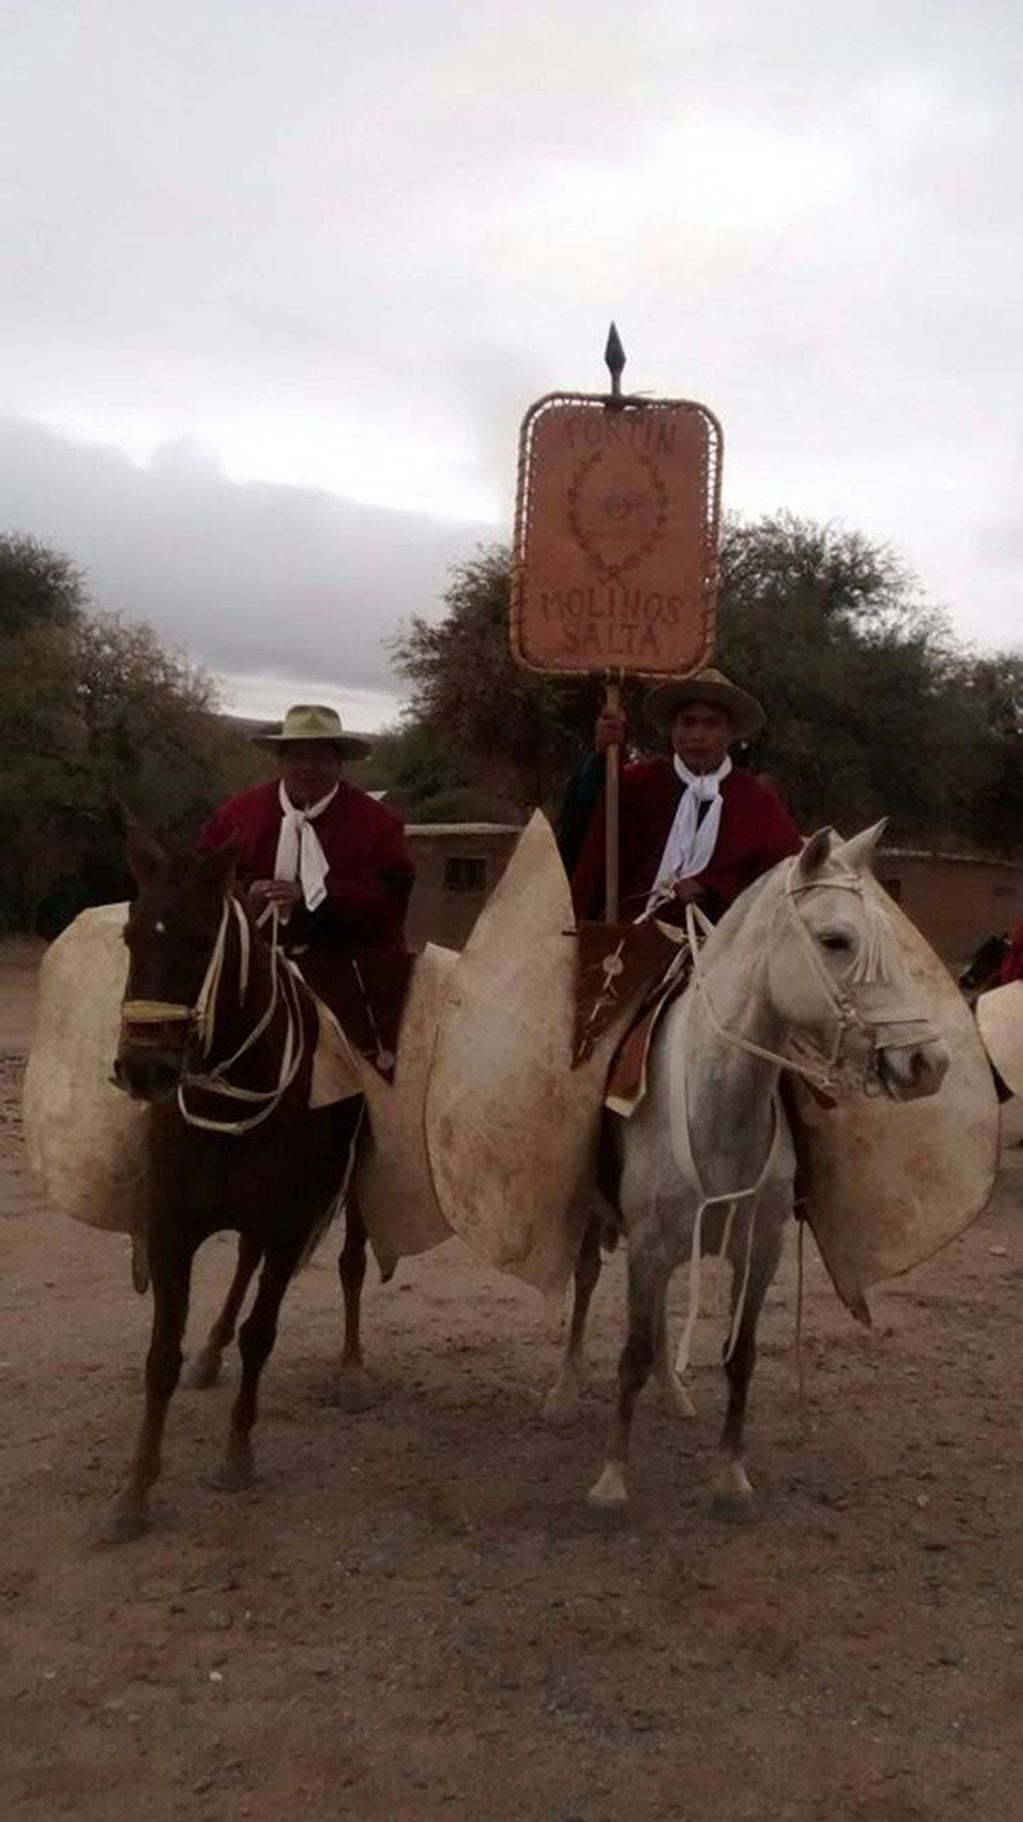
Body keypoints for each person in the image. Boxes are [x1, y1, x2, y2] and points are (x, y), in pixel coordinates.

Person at [569, 668, 802, 925]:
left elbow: (786, 881)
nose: (698, 735)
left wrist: (712, 892)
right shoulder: (640, 782)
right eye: (689, 723)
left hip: (721, 947)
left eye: (711, 724)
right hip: (627, 939)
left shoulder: (757, 801)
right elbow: (585, 828)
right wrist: (603, 758)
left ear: (730, 732)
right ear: (673, 729)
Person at [199, 703, 415, 969]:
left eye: (322, 759)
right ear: (281, 760)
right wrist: (245, 894)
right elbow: (202, 878)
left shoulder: (378, 823)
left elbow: (389, 900)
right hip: (253, 967)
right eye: (298, 757)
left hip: (349, 966)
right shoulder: (237, 815)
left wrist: (314, 897)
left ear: (339, 764)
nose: (309, 768)